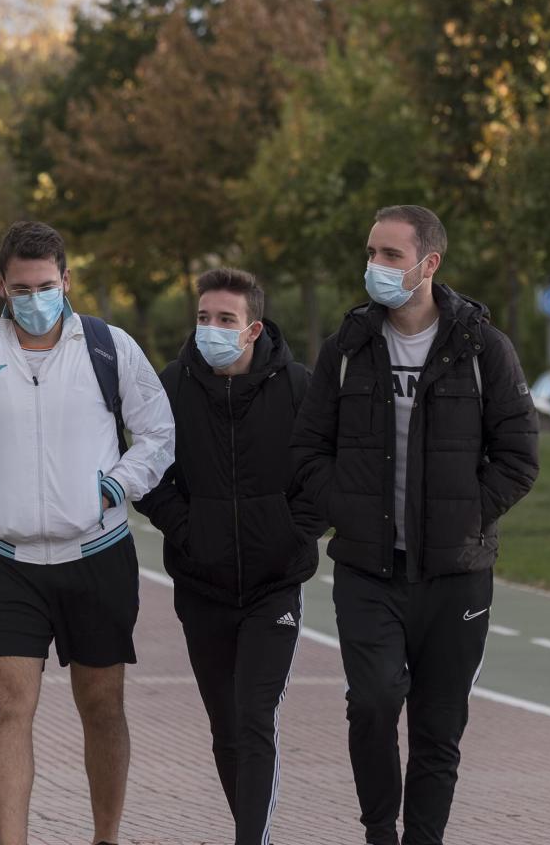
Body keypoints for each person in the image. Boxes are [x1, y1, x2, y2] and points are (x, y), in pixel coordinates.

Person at [290, 205, 538, 845]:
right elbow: (308, 450)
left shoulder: (484, 349)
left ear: (429, 264)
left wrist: (467, 514)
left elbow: (518, 456)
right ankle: (379, 831)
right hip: (369, 572)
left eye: (390, 256)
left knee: (438, 726)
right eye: (371, 252)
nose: (374, 266)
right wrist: (342, 508)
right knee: (372, 702)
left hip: (456, 575)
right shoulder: (346, 349)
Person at [0, 220, 175, 845]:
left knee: (101, 706)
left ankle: (105, 838)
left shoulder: (109, 347)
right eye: (20, 288)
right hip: (6, 560)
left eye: (46, 285)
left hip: (97, 556)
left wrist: (115, 488)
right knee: (6, 705)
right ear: (1, 287)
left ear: (66, 280)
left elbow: (156, 432)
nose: (34, 298)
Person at [133, 268, 315, 845]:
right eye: (204, 317)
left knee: (256, 718)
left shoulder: (299, 389)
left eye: (226, 320)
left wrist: (290, 532)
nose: (211, 329)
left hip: (274, 585)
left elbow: (326, 474)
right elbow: (145, 471)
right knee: (226, 727)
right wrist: (186, 528)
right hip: (201, 584)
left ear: (253, 328)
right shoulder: (169, 387)